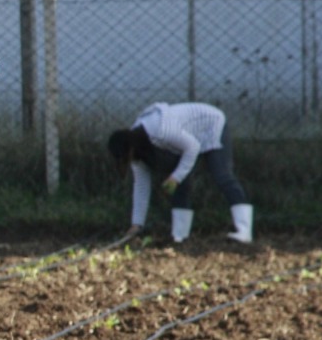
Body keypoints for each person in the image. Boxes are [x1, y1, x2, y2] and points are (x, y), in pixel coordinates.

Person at [107, 102, 252, 244]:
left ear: (130, 150)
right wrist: (136, 224)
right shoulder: (137, 154)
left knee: (222, 175)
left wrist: (175, 177)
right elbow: (141, 187)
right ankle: (179, 237)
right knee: (181, 182)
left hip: (210, 123)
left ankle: (244, 231)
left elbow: (192, 147)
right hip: (186, 137)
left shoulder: (161, 131)